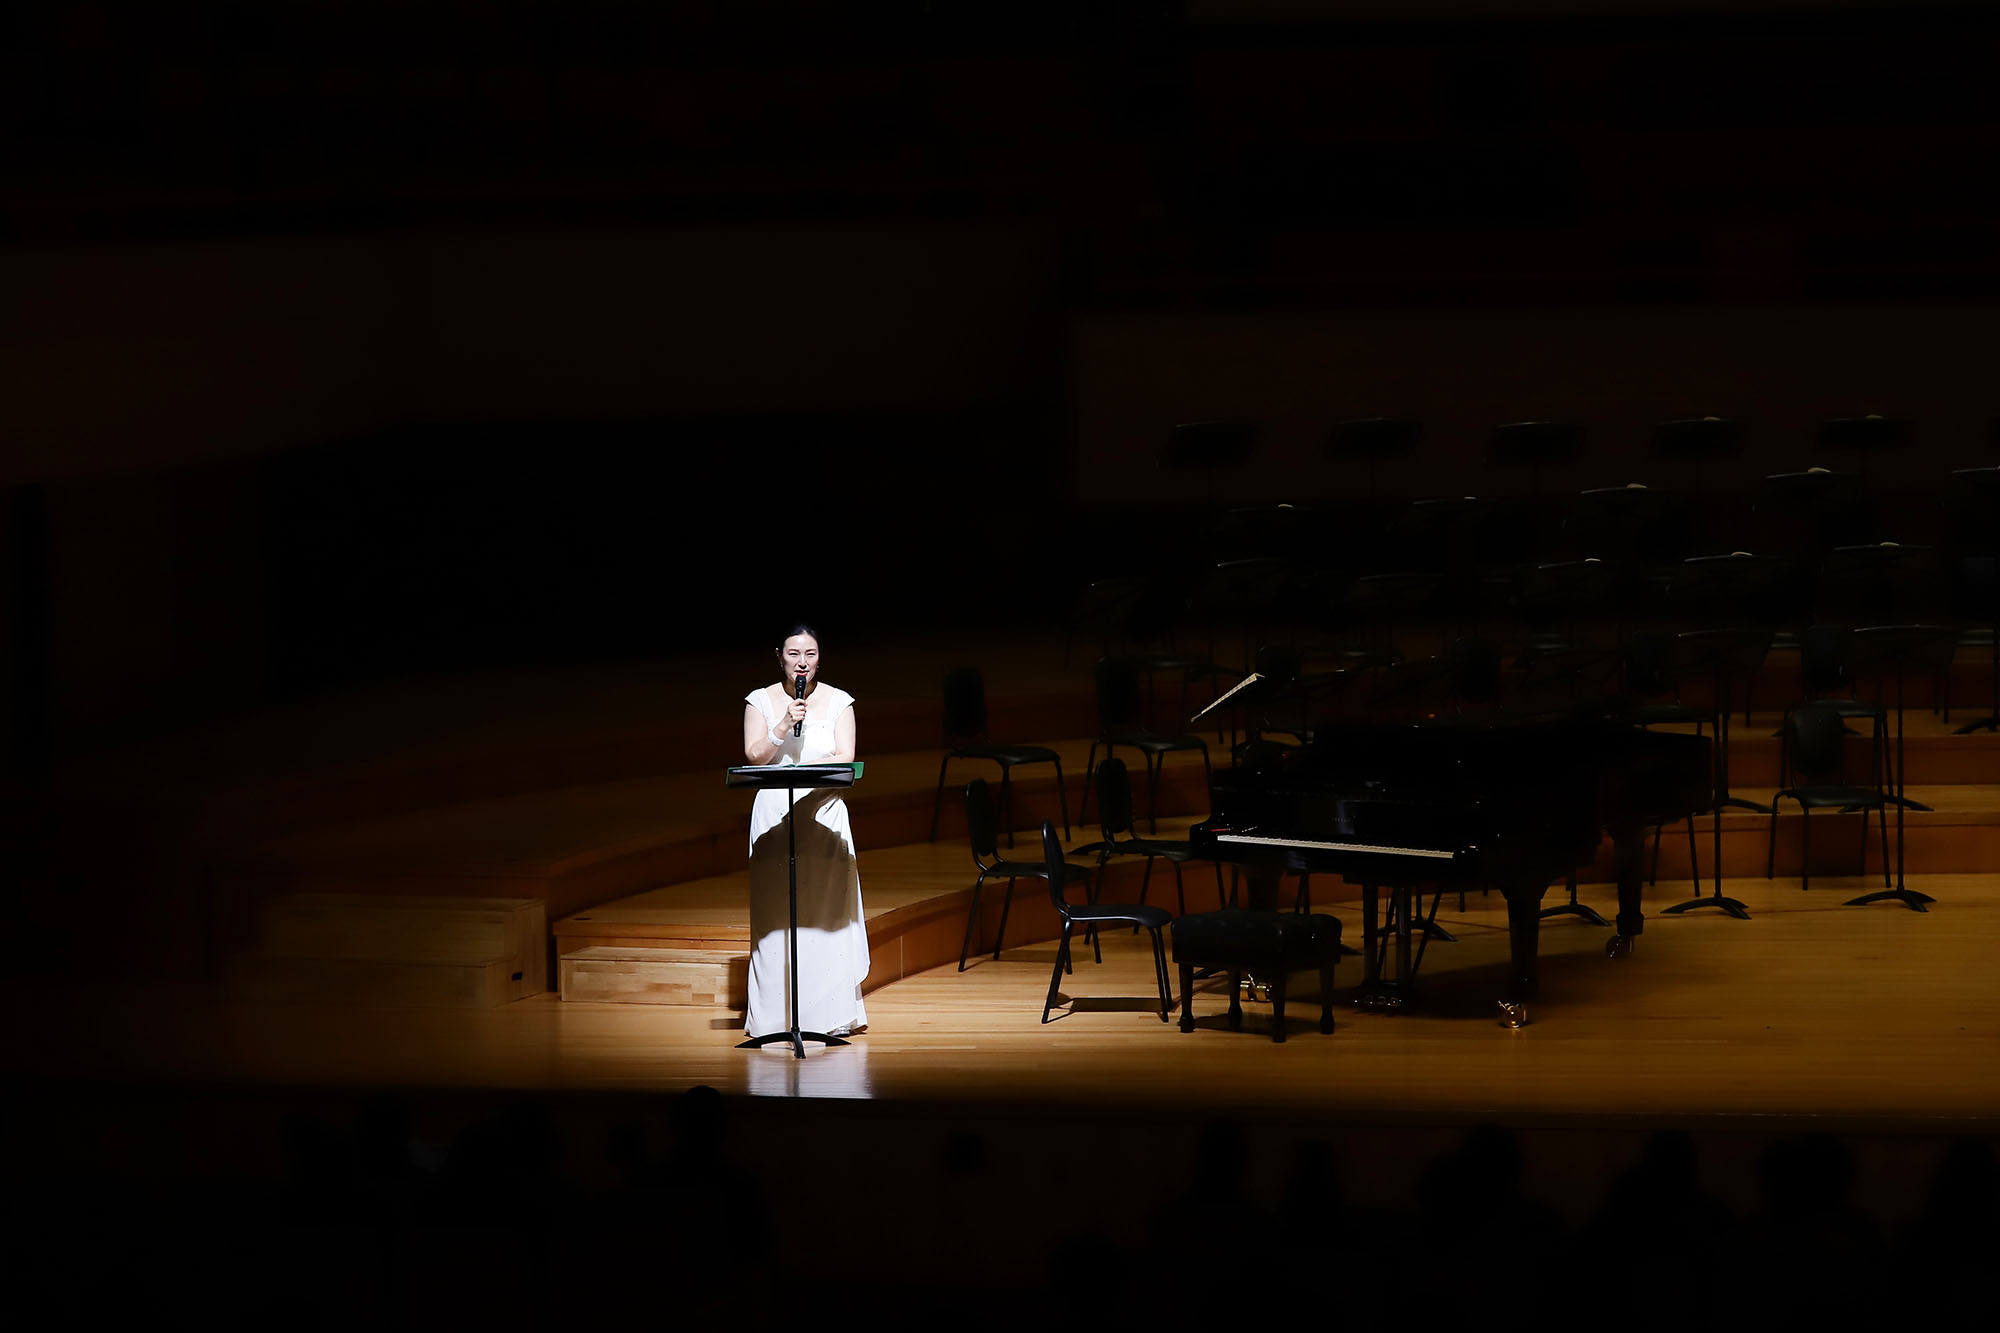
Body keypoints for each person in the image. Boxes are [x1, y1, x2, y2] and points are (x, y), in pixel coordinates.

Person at [740, 625, 869, 1039]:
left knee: (824, 913)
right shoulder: (759, 701)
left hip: (824, 813)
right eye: (794, 653)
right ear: (779, 655)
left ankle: (826, 1017)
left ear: (819, 657)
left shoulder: (839, 701)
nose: (802, 662)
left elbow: (845, 758)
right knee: (775, 912)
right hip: (775, 816)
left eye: (810, 654)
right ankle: (775, 1019)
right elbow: (755, 756)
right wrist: (781, 725)